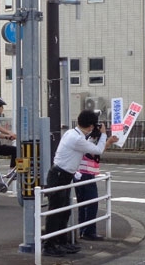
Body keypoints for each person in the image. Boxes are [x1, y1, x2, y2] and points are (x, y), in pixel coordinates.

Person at [43, 110, 118, 258]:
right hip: (59, 175)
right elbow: (97, 150)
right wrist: (103, 135)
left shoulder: (74, 134)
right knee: (56, 211)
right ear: (90, 126)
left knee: (64, 211)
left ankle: (62, 242)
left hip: (63, 175)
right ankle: (49, 245)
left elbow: (88, 146)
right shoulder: (76, 138)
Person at [74, 149, 103, 241]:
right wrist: (108, 142)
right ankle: (88, 231)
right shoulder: (89, 138)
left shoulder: (81, 137)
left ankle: (83, 230)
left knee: (82, 204)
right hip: (86, 172)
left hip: (79, 173)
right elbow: (95, 151)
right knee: (91, 203)